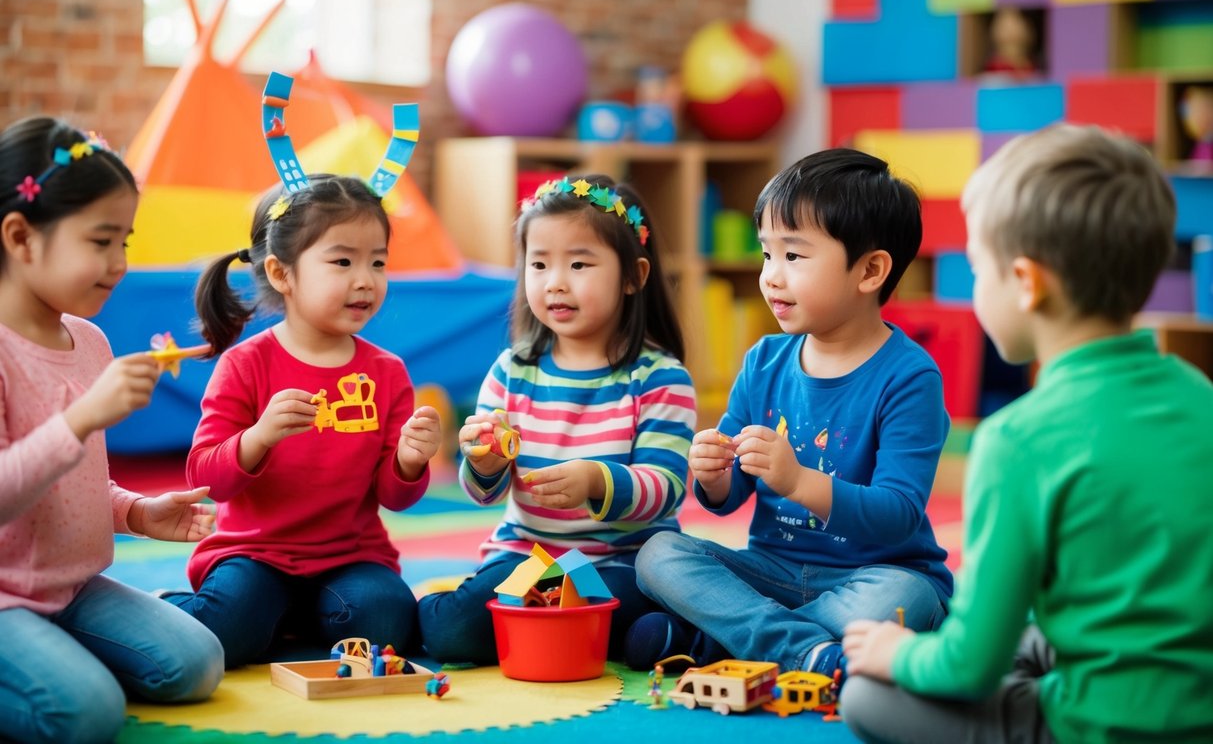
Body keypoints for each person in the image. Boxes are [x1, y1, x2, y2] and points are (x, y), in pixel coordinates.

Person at [841, 124, 1213, 744]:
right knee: (1026, 634)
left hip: (1099, 726)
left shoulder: (1018, 439)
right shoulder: (1200, 395)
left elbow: (968, 668)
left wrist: (894, 654)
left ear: (1025, 281)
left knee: (866, 696)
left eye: (979, 269)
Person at [627, 149, 952, 677]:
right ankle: (806, 650)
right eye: (766, 254)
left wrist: (798, 481)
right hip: (773, 569)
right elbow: (729, 498)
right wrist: (712, 474)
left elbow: (898, 515)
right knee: (658, 553)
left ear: (870, 270)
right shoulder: (764, 361)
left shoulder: (909, 377)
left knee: (906, 597)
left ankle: (737, 641)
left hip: (874, 573)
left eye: (794, 257)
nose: (771, 277)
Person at [0, 117, 224, 743]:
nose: (120, 263)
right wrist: (79, 419)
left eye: (126, 240)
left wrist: (136, 512)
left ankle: (48, 655)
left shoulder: (90, 340)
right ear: (20, 236)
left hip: (70, 587)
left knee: (197, 664)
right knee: (88, 715)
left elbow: (69, 483)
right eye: (101, 241)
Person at [163, 174, 441, 668]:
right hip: (254, 554)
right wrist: (258, 438)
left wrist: (409, 461)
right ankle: (172, 611)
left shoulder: (387, 372)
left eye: (378, 262)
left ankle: (292, 617)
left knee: (387, 623)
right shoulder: (245, 365)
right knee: (227, 633)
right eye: (342, 261)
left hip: (351, 557)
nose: (365, 279)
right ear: (281, 273)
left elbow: (395, 499)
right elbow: (206, 476)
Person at [417, 175, 695, 664]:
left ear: (633, 275)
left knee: (615, 606)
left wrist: (595, 480)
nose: (556, 282)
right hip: (525, 552)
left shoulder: (660, 378)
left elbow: (667, 486)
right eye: (539, 263)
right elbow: (486, 493)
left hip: (622, 562)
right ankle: (593, 626)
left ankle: (673, 633)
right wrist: (483, 462)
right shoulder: (511, 371)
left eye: (580, 264)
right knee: (450, 633)